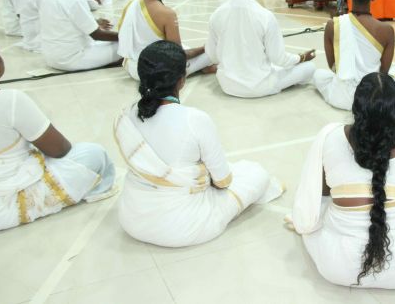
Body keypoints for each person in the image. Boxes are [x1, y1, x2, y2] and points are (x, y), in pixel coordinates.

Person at [291, 72, 395, 288]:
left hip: (338, 267)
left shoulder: (331, 137)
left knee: (316, 204)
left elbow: (323, 193)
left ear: (355, 109)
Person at [116, 40, 283, 248]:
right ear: (182, 80)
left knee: (211, 170)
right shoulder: (194, 119)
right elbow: (223, 181)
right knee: (256, 172)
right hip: (184, 227)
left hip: (132, 218)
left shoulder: (127, 114)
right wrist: (200, 177)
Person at [0, 45, 116, 231]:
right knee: (94, 154)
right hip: (5, 205)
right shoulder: (9, 100)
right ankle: (92, 190)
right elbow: (60, 149)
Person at [206, 0, 316, 97]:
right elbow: (278, 59)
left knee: (272, 65)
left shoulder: (217, 14)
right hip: (260, 86)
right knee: (309, 68)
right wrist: (301, 57)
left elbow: (212, 55)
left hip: (227, 85)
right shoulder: (265, 16)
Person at [118, 0, 214, 80]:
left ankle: (199, 67)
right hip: (154, 72)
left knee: (182, 46)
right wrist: (204, 48)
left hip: (131, 67)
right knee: (211, 53)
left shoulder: (131, 5)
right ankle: (200, 67)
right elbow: (178, 55)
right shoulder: (167, 14)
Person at [40, 0, 121, 71]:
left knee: (111, 42)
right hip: (73, 58)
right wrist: (125, 36)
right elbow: (97, 35)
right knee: (127, 45)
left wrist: (95, 23)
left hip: (51, 56)